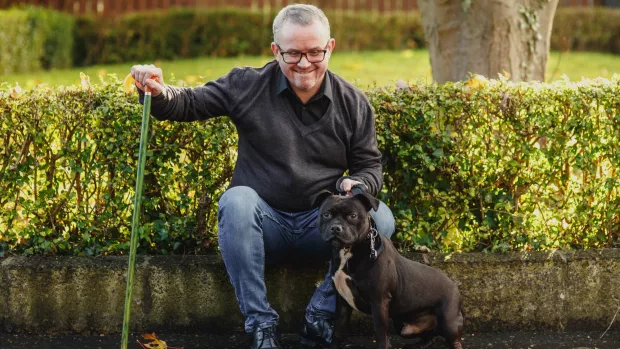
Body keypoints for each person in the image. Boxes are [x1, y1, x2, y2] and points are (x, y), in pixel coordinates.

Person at [130, 4, 395, 349]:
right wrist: (159, 91)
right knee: (236, 200)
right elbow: (189, 103)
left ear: (330, 47)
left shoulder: (353, 103)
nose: (304, 63)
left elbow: (369, 166)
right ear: (275, 51)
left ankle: (321, 313)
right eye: (293, 53)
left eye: (314, 52)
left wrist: (359, 185)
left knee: (381, 218)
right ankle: (261, 325)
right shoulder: (247, 84)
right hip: (262, 227)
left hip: (323, 229)